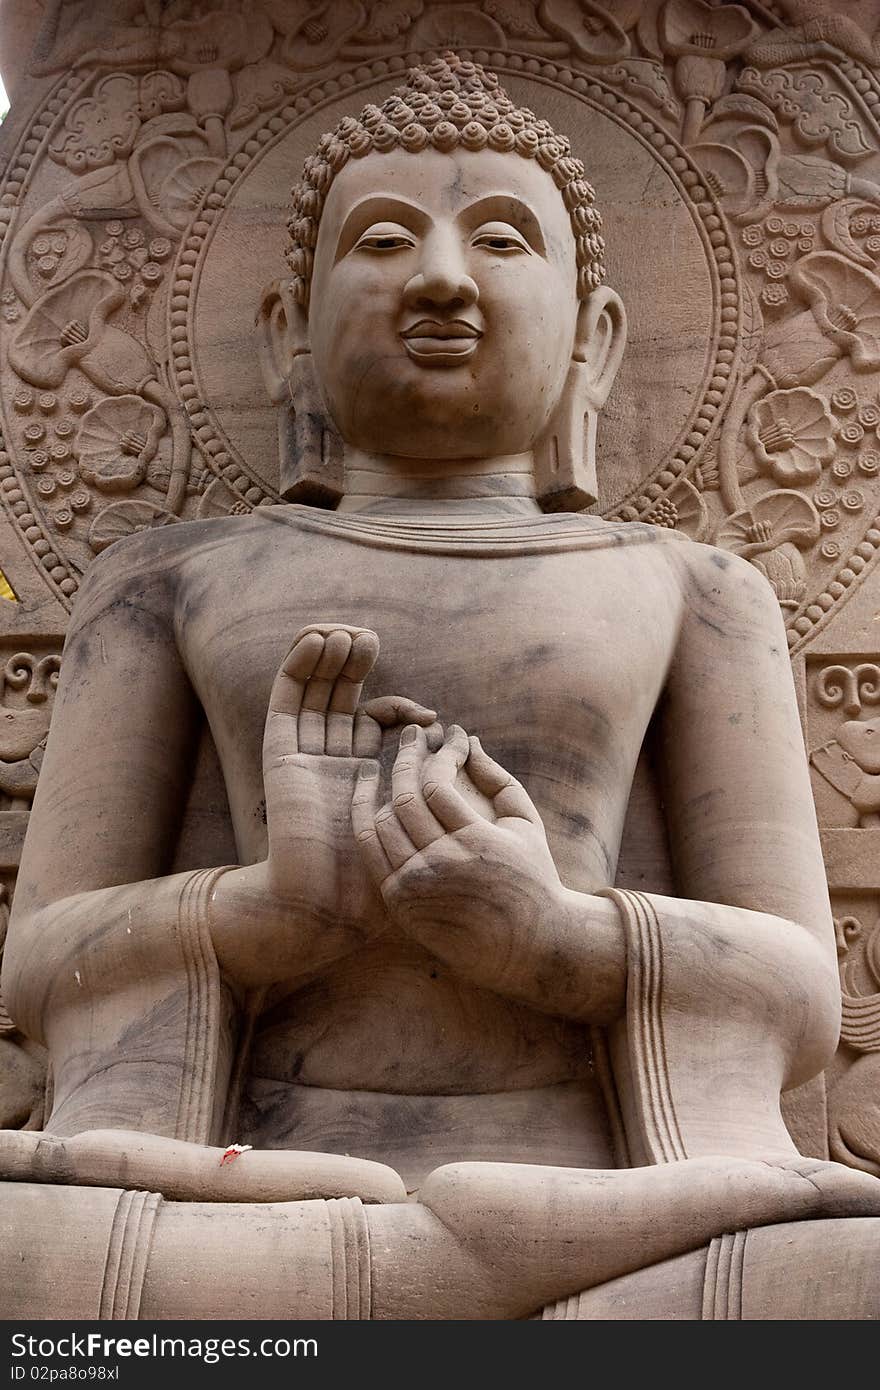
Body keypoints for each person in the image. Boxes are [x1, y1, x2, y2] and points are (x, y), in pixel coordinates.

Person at [2, 54, 879, 1321]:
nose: (442, 278)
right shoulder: (171, 581)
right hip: (251, 1196)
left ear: (596, 336)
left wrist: (562, 936)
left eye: (503, 238)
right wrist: (270, 911)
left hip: (611, 1206)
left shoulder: (694, 589)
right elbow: (39, 967)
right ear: (287, 331)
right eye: (384, 238)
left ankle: (443, 1269)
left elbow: (801, 985)